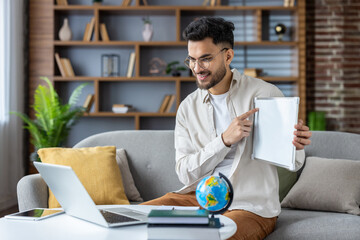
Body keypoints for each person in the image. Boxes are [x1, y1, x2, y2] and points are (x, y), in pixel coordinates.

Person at [142, 16, 312, 240]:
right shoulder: (187, 108)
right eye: (191, 60)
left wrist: (295, 145)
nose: (196, 68)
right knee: (136, 218)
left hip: (250, 206)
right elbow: (185, 173)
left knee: (216, 237)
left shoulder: (265, 95)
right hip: (199, 197)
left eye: (205, 59)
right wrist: (223, 141)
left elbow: (295, 162)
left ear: (228, 56)